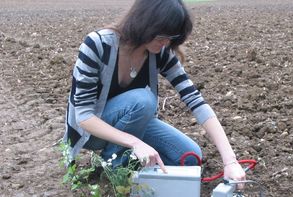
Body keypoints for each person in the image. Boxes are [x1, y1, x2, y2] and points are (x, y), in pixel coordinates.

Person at [64, 0, 246, 187]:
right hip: (92, 132)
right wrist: (135, 143)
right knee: (143, 101)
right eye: (161, 36)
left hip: (133, 122)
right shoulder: (98, 44)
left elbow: (195, 100)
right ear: (144, 23)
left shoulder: (160, 52)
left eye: (172, 37)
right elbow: (84, 116)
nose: (166, 43)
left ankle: (134, 165)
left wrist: (230, 161)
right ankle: (114, 169)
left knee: (189, 158)